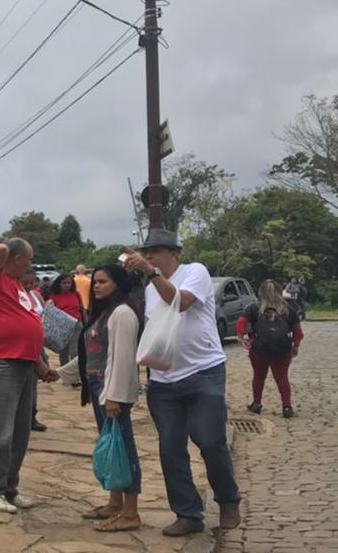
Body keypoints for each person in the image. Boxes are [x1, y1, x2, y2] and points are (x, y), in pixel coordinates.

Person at [123, 229, 242, 537]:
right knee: (171, 448)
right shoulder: (150, 286)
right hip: (164, 380)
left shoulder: (195, 272)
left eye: (156, 251)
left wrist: (151, 273)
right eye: (146, 252)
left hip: (204, 371)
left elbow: (181, 302)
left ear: (173, 252)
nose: (149, 256)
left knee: (210, 440)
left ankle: (228, 500)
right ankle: (188, 513)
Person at [0, 238, 59, 514]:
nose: (31, 264)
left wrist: (40, 366)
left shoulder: (18, 287)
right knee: (2, 433)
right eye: (29, 258)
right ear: (17, 258)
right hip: (0, 363)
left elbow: (24, 327)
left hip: (24, 364)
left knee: (20, 434)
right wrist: (10, 245)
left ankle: (9, 488)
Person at [78, 264, 143, 532]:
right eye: (95, 281)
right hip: (99, 389)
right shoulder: (104, 313)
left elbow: (123, 358)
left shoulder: (123, 314)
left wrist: (114, 396)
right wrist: (60, 373)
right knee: (112, 446)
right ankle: (115, 503)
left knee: (124, 448)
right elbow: (93, 353)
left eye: (103, 281)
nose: (96, 286)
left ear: (118, 283)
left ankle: (131, 512)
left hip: (112, 392)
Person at [238, 280, 303, 418]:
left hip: (258, 350)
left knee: (259, 376)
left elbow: (241, 323)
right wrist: (296, 346)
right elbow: (298, 331)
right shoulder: (287, 309)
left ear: (260, 293)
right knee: (282, 377)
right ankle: (286, 406)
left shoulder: (253, 308)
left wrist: (242, 338)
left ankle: (256, 404)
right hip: (283, 351)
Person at [20, 270, 49, 432]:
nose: (29, 286)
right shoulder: (17, 296)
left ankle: (32, 414)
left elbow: (44, 312)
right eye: (26, 283)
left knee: (34, 382)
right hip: (25, 345)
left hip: (39, 343)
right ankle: (24, 415)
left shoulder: (36, 296)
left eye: (32, 283)